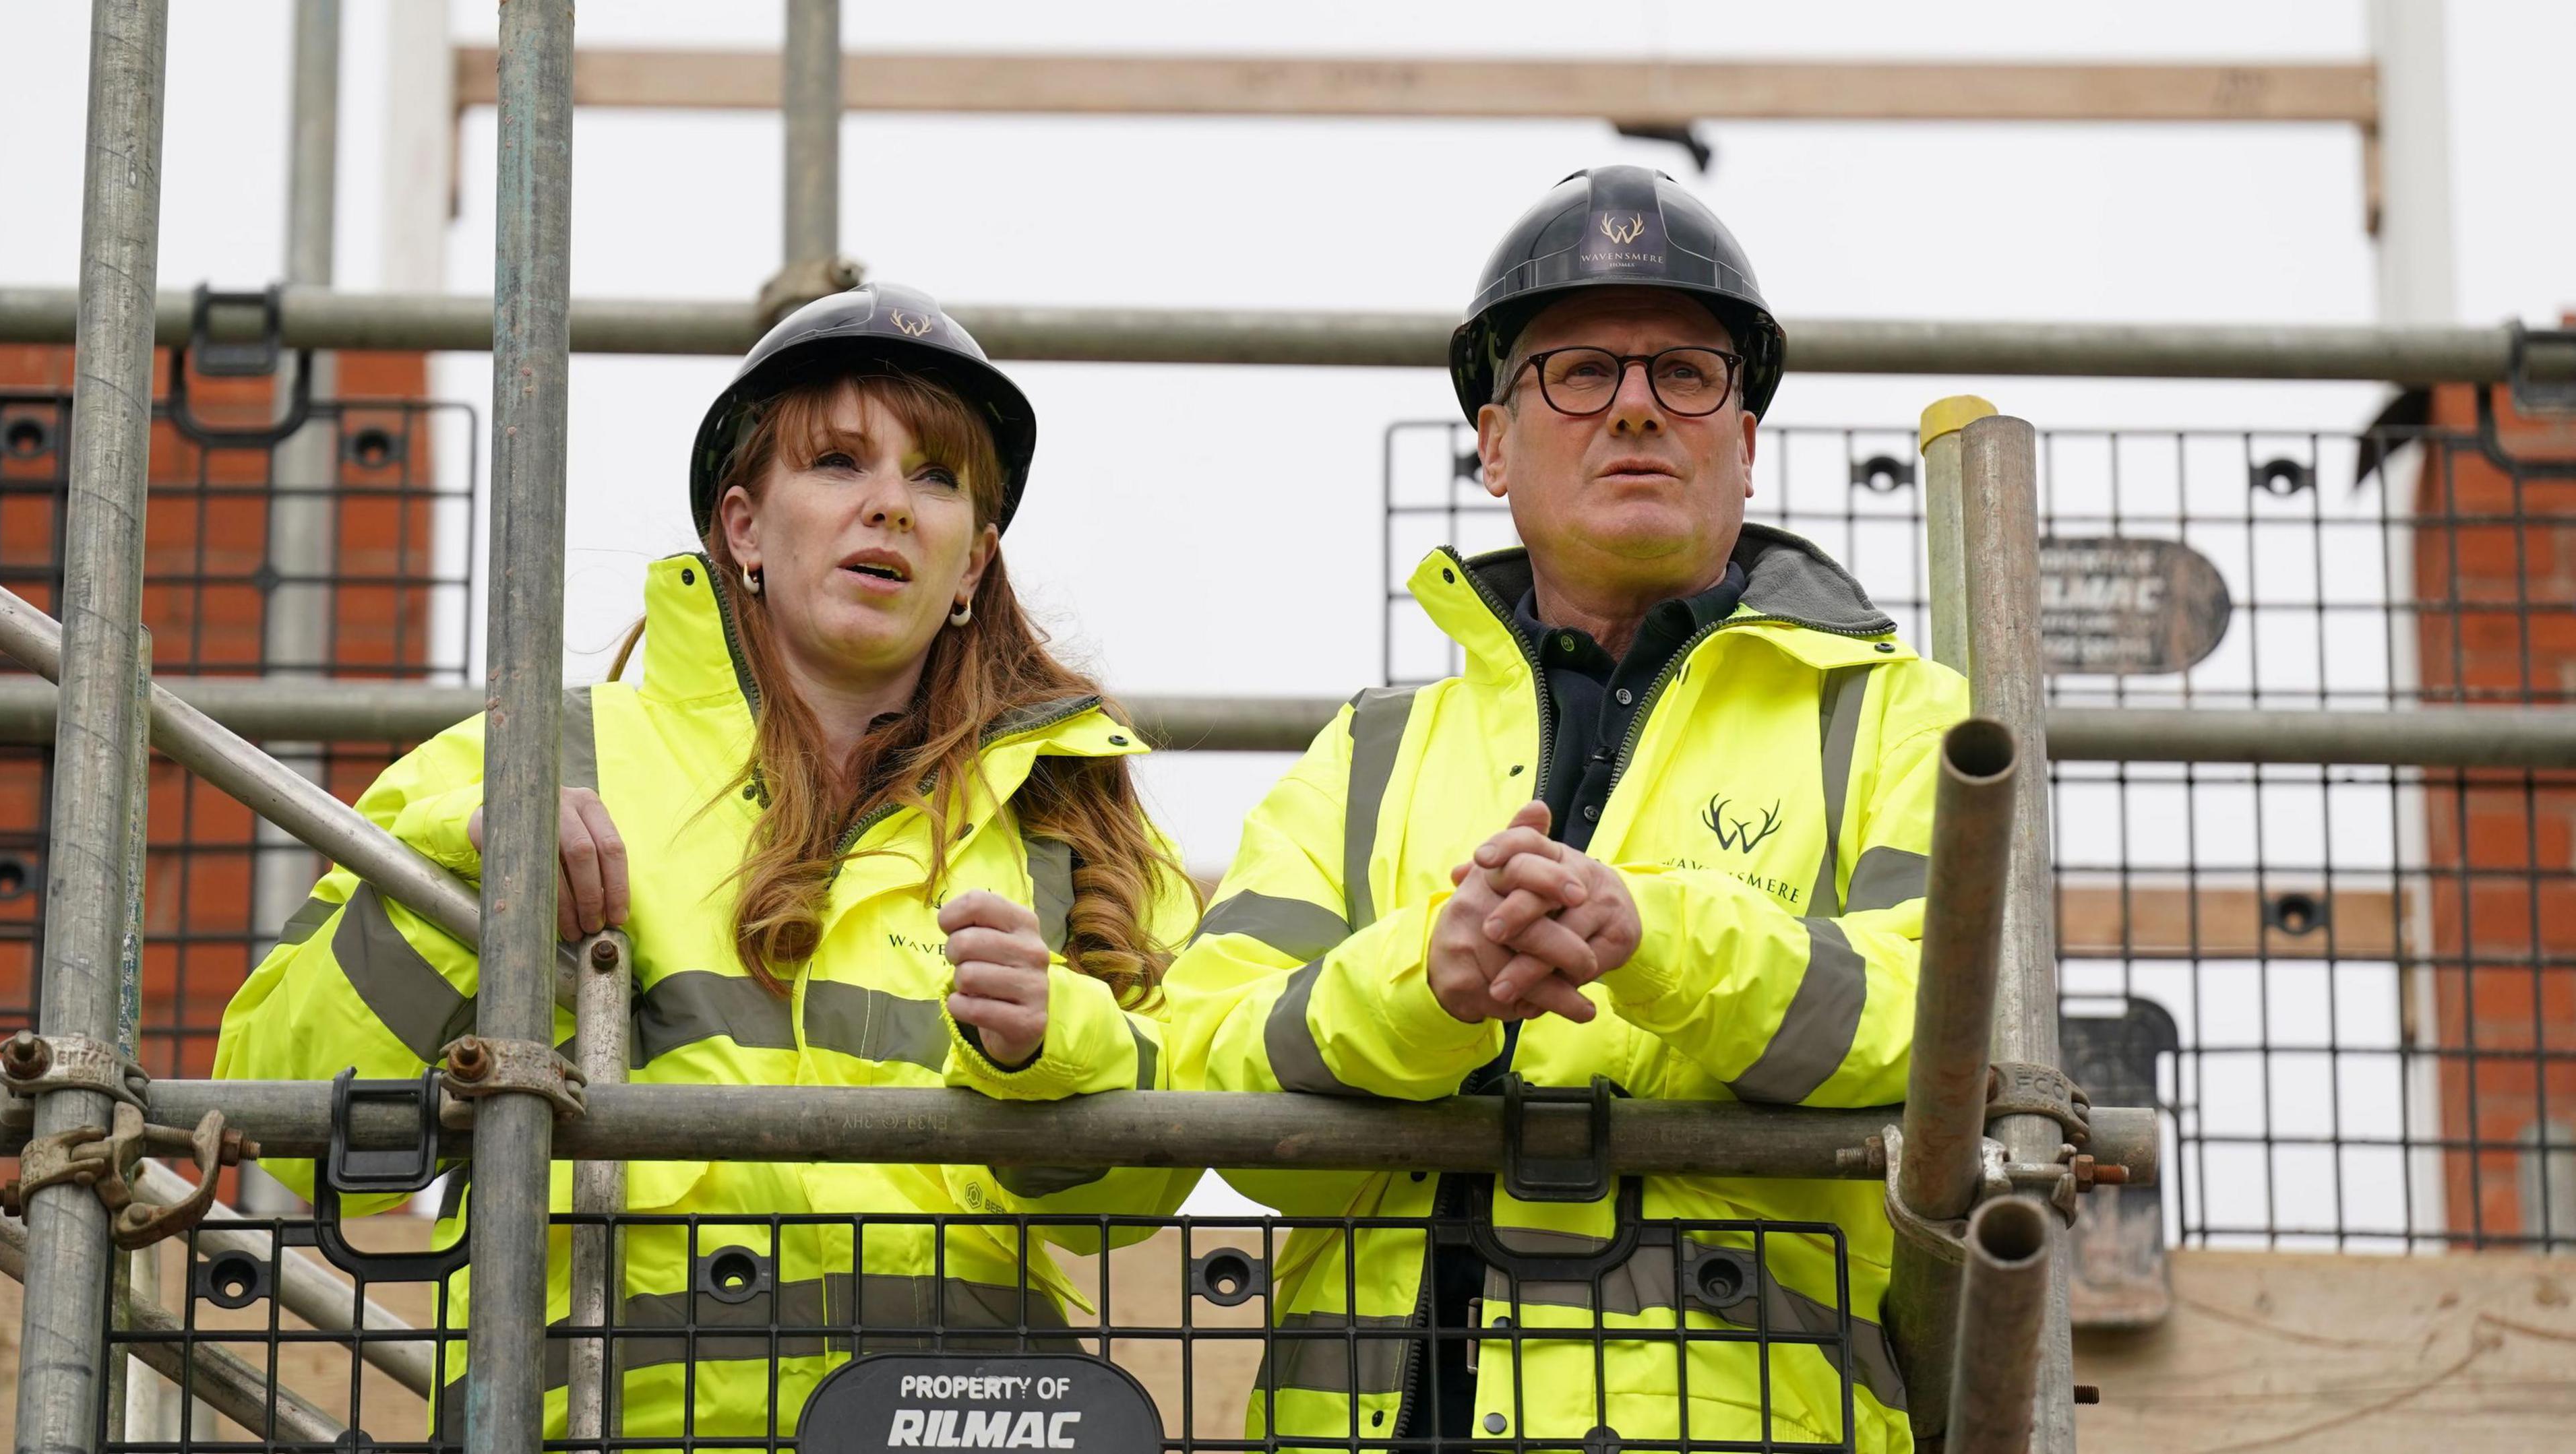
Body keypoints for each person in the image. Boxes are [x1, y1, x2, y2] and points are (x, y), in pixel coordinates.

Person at [214, 283, 1200, 1440]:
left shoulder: (1067, 815)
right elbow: (275, 1107)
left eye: (937, 477)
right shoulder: (529, 758)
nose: (890, 505)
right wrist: (469, 883)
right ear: (743, 528)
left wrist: (1055, 1043)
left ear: (975, 563)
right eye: (839, 462)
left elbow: (1146, 1187)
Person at [1169, 166, 1964, 1451]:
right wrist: (1425, 984)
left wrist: (1656, 939)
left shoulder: (1899, 716)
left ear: (1746, 443)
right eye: (1581, 371)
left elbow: (1950, 1030)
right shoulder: (1368, 752)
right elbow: (1201, 1078)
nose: (1639, 409)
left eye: (1688, 374)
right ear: (1493, 444)